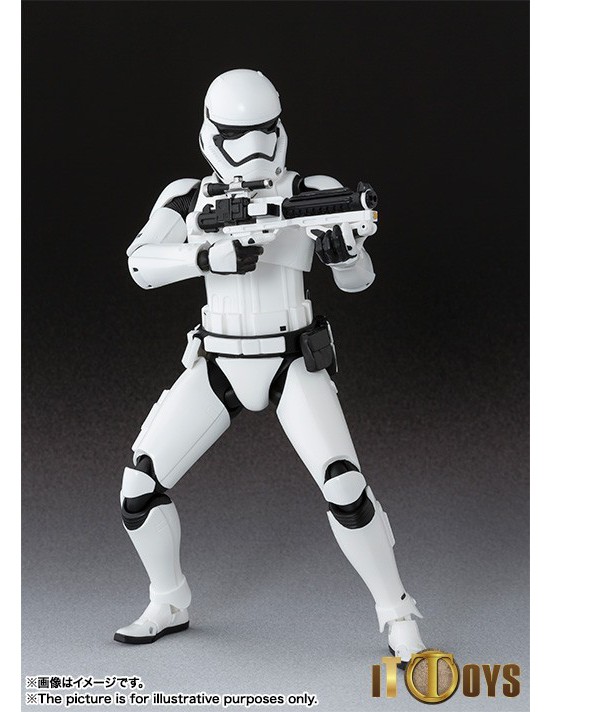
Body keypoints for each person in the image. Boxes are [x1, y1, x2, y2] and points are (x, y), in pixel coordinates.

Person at [115, 69, 426, 663]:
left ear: (279, 129)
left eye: (263, 130)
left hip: (290, 360)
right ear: (211, 133)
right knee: (140, 487)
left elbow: (359, 282)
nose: (252, 147)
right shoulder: (187, 198)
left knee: (345, 486)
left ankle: (398, 612)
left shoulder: (312, 193)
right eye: (237, 134)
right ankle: (169, 601)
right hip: (218, 360)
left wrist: (345, 254)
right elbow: (139, 264)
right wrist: (207, 256)